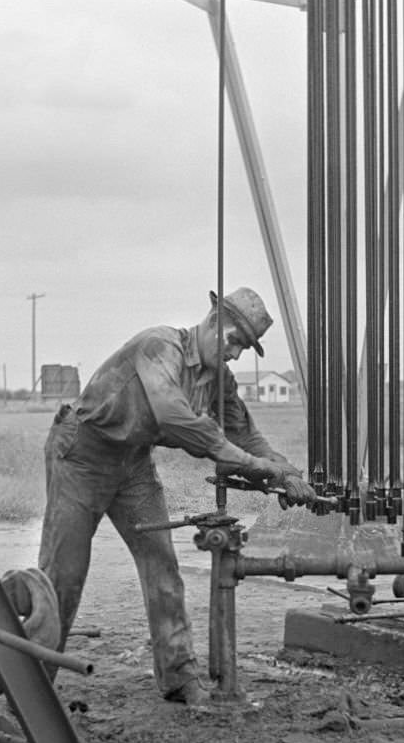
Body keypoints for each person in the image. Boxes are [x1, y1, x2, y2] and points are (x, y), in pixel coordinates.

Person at [38, 286, 316, 706]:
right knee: (65, 575)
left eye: (244, 347)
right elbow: (176, 418)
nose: (236, 354)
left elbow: (244, 434)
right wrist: (253, 465)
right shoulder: (159, 347)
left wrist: (285, 472)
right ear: (213, 320)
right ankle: (33, 683)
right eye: (236, 341)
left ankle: (179, 677)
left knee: (163, 568)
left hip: (132, 462)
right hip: (83, 454)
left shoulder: (219, 379)